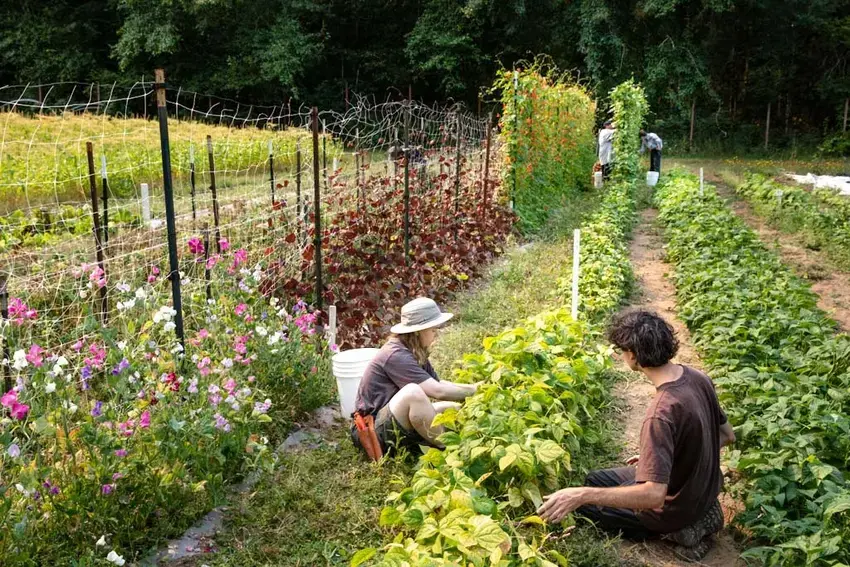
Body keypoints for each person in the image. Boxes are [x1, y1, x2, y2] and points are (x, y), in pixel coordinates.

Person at [537, 310, 735, 561]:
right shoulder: (698, 378)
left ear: (633, 355)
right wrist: (665, 456)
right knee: (594, 479)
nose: (621, 356)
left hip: (673, 507)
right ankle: (700, 513)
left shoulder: (661, 413)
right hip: (702, 489)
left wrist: (580, 495)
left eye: (621, 351)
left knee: (585, 505)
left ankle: (683, 530)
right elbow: (727, 435)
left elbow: (653, 495)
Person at [351, 297, 478, 456]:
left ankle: (468, 440)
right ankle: (452, 450)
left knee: (453, 409)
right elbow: (438, 391)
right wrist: (475, 392)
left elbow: (437, 383)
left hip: (390, 420)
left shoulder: (414, 350)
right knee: (413, 392)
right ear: (419, 331)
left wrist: (476, 388)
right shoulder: (396, 355)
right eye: (433, 330)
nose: (436, 334)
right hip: (372, 432)